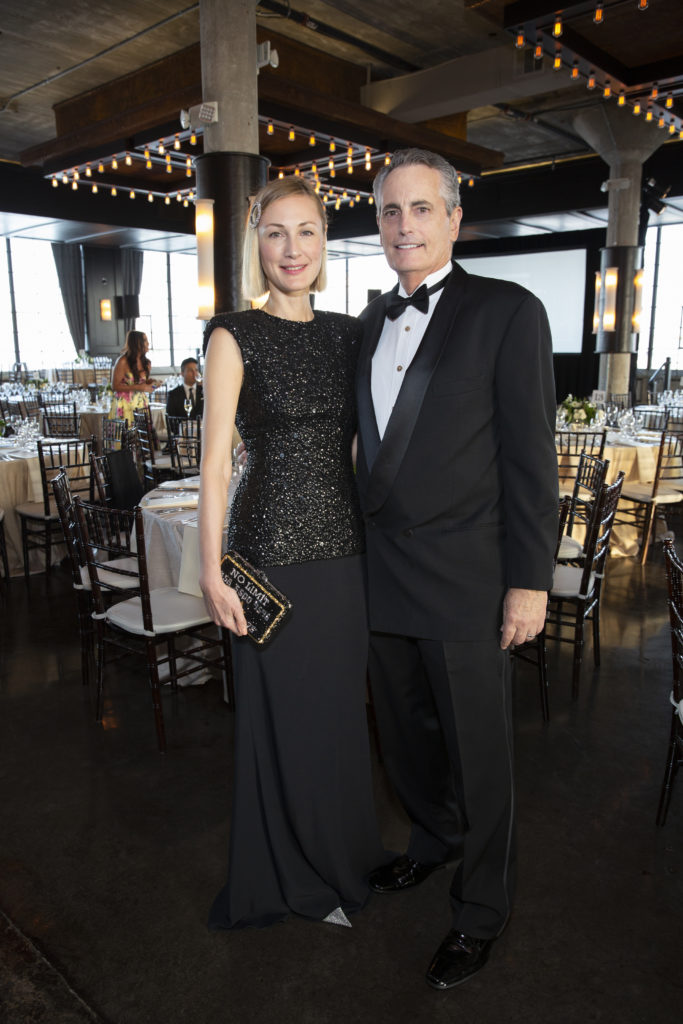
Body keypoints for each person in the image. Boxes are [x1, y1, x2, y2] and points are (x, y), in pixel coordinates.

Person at [355, 149, 558, 988]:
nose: (403, 225)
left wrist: (529, 579)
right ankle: (432, 845)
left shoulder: (507, 310)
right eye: (389, 212)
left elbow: (528, 458)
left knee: (480, 758)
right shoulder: (365, 320)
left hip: (469, 578)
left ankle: (482, 909)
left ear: (452, 219)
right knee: (402, 741)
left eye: (420, 209)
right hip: (381, 576)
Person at [199, 176, 385, 930]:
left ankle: (338, 861)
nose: (291, 248)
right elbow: (214, 463)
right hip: (265, 556)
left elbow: (364, 445)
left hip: (343, 556)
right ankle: (290, 877)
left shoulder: (350, 332)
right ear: (258, 245)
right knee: (281, 721)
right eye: (275, 232)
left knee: (338, 717)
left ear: (324, 241)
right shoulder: (231, 333)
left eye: (305, 231)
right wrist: (209, 572)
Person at [109, 330, 158, 424]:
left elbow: (142, 383)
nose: (148, 343)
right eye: (145, 340)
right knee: (126, 436)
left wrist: (153, 383)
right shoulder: (123, 361)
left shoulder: (147, 363)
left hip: (141, 404)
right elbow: (115, 386)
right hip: (124, 404)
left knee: (143, 436)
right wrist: (139, 387)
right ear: (136, 343)